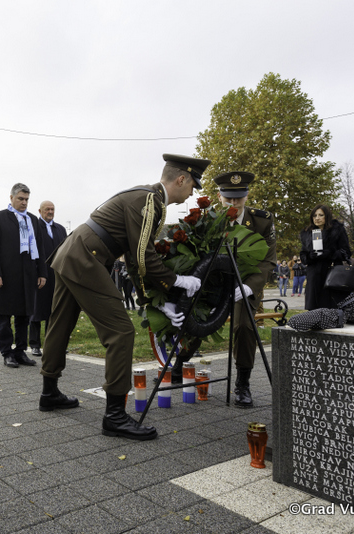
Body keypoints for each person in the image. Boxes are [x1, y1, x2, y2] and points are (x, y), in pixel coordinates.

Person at [39, 154, 209, 440]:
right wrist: (177, 281)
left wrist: (153, 301)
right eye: (193, 185)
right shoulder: (151, 201)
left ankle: (49, 392)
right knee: (121, 332)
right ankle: (115, 416)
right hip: (86, 258)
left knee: (61, 323)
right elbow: (144, 258)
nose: (193, 192)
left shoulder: (146, 196)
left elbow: (133, 257)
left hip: (73, 253)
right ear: (181, 179)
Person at [211, 171, 277, 407]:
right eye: (228, 198)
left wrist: (249, 287)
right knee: (193, 318)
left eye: (238, 198)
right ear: (219, 197)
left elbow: (268, 260)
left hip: (247, 281)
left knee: (244, 326)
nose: (233, 203)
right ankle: (180, 364)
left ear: (247, 196)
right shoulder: (209, 220)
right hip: (215, 280)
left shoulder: (262, 220)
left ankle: (242, 382)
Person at [0, 183, 48, 368]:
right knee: (5, 318)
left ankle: (20, 351)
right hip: (5, 277)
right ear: (11, 198)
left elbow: (40, 248)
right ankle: (7, 353)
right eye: (20, 199)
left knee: (24, 317)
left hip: (27, 276)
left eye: (27, 199)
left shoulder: (32, 220)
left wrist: (42, 272)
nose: (24, 203)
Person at [29, 200, 67, 357]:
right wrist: (37, 273)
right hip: (40, 276)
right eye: (47, 209)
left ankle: (52, 345)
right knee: (37, 311)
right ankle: (34, 344)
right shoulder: (34, 228)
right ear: (40, 211)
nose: (50, 212)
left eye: (52, 209)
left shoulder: (60, 229)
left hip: (57, 276)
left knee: (55, 311)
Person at [300, 204, 353, 309]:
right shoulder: (307, 233)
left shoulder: (337, 230)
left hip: (332, 273)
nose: (317, 218)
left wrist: (330, 254)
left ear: (327, 216)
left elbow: (346, 252)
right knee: (314, 308)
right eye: (315, 215)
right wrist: (310, 256)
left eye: (321, 215)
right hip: (314, 275)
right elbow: (303, 254)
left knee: (331, 306)